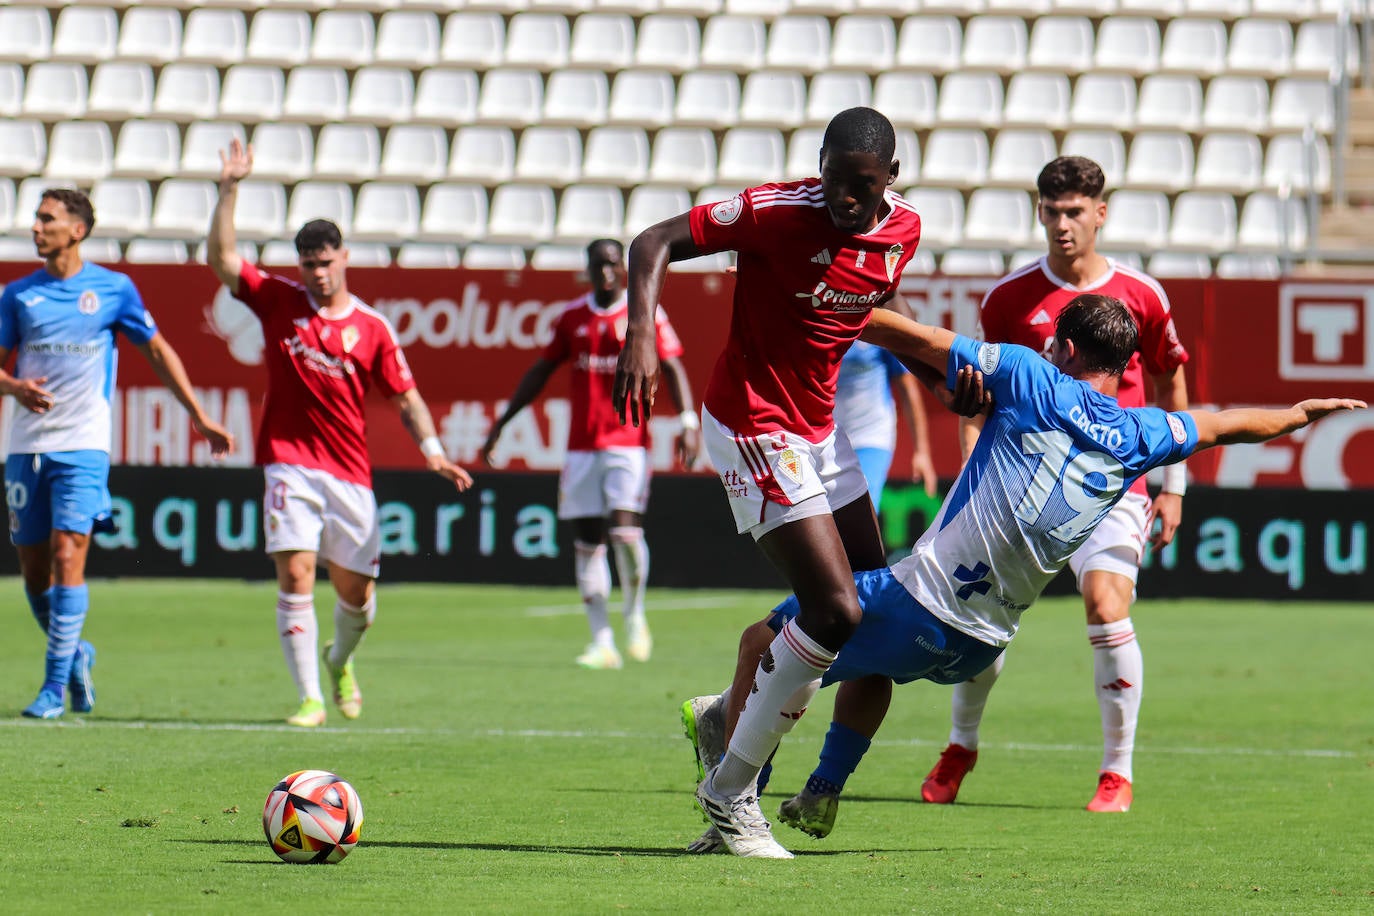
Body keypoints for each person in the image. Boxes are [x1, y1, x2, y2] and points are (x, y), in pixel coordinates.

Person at [685, 296, 1363, 857]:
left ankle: (736, 803)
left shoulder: (1028, 376)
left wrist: (827, 302)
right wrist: (1300, 415)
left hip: (922, 605)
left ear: (1063, 349)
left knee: (760, 643)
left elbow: (912, 333)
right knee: (870, 665)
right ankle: (825, 786)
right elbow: (1226, 425)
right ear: (1125, 368)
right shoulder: (1142, 434)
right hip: (981, 646)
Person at [613, 106, 927, 858]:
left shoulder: (903, 231)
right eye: (834, 178)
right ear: (817, 163)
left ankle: (729, 714)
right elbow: (651, 240)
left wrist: (937, 363)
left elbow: (881, 300)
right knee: (835, 610)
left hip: (821, 432)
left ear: (889, 181)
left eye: (862, 185)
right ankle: (730, 797)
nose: (845, 198)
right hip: (753, 424)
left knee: (869, 602)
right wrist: (639, 336)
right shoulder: (772, 211)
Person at [900, 155, 1193, 813]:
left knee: (1106, 604)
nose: (1063, 225)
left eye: (1075, 212)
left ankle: (1117, 773)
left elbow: (1173, 380)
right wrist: (969, 465)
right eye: (1052, 211)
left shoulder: (1143, 294)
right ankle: (961, 745)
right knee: (976, 621)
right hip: (1019, 483)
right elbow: (981, 396)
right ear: (1040, 211)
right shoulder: (1008, 298)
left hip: (1112, 481)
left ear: (1101, 213)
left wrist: (1174, 483)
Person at [208, 139, 473, 727]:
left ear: (344, 257)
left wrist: (432, 452)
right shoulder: (279, 301)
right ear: (299, 265)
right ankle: (308, 697)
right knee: (295, 571)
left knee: (357, 600)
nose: (319, 273)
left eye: (327, 262)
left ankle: (339, 660)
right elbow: (224, 260)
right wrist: (228, 190)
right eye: (309, 264)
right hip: (287, 462)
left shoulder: (371, 328)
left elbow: (406, 397)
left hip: (349, 474)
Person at [0, 188, 234, 719]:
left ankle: (51, 688)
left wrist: (197, 414)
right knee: (34, 570)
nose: (35, 228)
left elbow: (156, 349)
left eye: (47, 219)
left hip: (84, 444)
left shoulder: (113, 289)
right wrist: (14, 387)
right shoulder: (18, 295)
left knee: (67, 556)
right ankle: (76, 652)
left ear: (76, 230)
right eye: (36, 219)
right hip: (25, 447)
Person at [479, 238, 699, 670]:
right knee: (586, 543)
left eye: (613, 265)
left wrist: (689, 423)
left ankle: (634, 613)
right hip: (580, 447)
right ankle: (602, 642)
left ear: (623, 268)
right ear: (587, 268)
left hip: (628, 441)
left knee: (624, 533)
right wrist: (503, 423)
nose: (605, 273)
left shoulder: (642, 316)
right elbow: (540, 371)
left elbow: (672, 365)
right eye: (598, 265)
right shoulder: (571, 318)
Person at [834, 339, 937, 513]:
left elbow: (908, 389)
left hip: (872, 436)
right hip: (830, 439)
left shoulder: (878, 331)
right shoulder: (824, 325)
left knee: (862, 512)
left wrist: (922, 453)